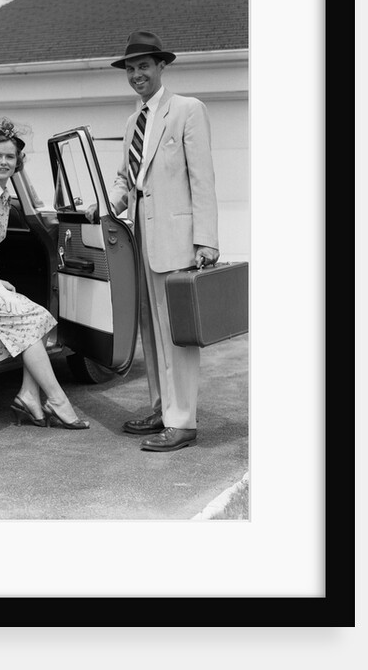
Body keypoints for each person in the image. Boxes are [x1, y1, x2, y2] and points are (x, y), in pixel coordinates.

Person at [87, 31, 219, 452]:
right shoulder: (133, 121)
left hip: (178, 239)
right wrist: (102, 206)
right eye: (130, 69)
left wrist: (206, 240)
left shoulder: (187, 110)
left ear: (162, 66)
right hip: (140, 239)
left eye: (144, 66)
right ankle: (162, 409)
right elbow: (126, 180)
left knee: (176, 334)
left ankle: (183, 422)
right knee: (151, 329)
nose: (136, 74)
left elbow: (202, 178)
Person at [0, 118, 89, 430]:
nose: (3, 162)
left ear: (18, 161)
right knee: (35, 320)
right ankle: (57, 400)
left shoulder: (3, 192)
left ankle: (29, 396)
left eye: (10, 157)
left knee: (42, 318)